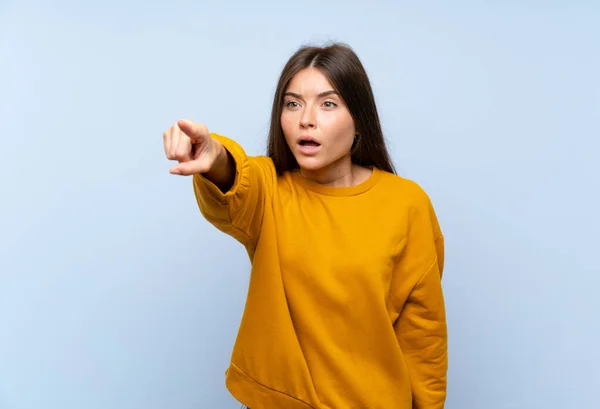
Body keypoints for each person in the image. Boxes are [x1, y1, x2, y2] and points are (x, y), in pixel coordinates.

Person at [163, 42, 447, 409]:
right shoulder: (270, 190)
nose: (305, 119)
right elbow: (236, 176)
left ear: (358, 117)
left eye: (328, 104)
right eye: (292, 103)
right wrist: (213, 154)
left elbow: (423, 335)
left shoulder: (407, 204)